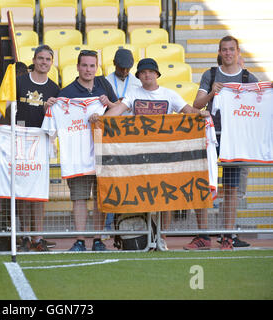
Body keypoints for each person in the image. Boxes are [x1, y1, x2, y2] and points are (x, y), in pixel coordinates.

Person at [91, 58, 210, 251]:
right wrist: (100, 121)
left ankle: (161, 237)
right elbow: (118, 111)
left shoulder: (169, 94)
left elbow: (187, 111)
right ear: (139, 76)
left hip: (165, 157)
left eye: (150, 72)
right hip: (139, 158)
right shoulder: (133, 93)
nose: (147, 75)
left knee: (166, 198)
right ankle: (147, 236)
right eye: (143, 72)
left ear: (157, 74)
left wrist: (200, 114)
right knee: (145, 196)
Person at [0, 45, 60, 251]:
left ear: (51, 63)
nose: (44, 62)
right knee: (22, 192)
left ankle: (38, 237)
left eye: (48, 59)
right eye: (41, 58)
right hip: (19, 142)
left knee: (39, 193)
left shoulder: (54, 88)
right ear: (34, 60)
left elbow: (58, 118)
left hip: (41, 143)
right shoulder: (19, 82)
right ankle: (24, 234)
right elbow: (3, 105)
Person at [187, 35, 257, 250]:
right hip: (210, 137)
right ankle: (204, 235)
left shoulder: (248, 78)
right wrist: (211, 94)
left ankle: (227, 236)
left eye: (231, 49)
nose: (227, 53)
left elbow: (257, 108)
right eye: (224, 50)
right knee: (203, 184)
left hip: (235, 139)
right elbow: (196, 105)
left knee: (231, 188)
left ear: (238, 52)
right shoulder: (210, 74)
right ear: (219, 52)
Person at [54, 49, 128, 251]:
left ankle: (97, 239)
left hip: (102, 152)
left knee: (100, 199)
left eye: (92, 66)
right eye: (84, 65)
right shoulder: (66, 94)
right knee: (79, 199)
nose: (88, 69)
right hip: (77, 155)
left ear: (97, 67)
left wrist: (109, 105)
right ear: (77, 67)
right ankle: (79, 240)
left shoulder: (104, 86)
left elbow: (118, 112)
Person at [103, 48, 142, 239]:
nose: (125, 72)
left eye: (128, 69)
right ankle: (107, 226)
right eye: (122, 68)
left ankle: (129, 224)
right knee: (111, 181)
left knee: (129, 181)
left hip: (131, 136)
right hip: (111, 137)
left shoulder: (137, 82)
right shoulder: (105, 81)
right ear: (114, 64)